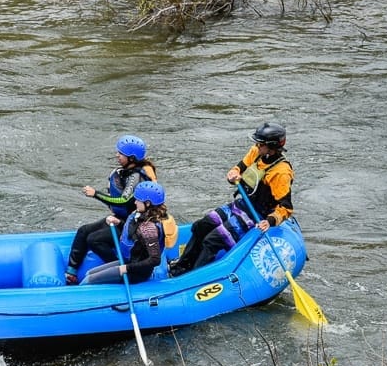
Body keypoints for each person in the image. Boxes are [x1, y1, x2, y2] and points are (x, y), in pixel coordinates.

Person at [169, 122, 294, 276]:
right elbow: (238, 168)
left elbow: (286, 208)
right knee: (201, 226)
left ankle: (194, 275)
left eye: (260, 143)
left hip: (257, 216)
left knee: (212, 240)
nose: (256, 145)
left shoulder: (281, 173)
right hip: (241, 206)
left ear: (272, 147)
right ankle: (182, 266)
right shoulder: (256, 152)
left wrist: (269, 221)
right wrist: (233, 174)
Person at [65, 134, 157, 284]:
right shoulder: (124, 172)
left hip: (131, 225)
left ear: (132, 158)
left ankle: (121, 269)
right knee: (83, 231)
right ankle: (71, 273)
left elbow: (123, 201)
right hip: (119, 218)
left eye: (121, 153)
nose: (117, 155)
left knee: (94, 240)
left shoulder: (136, 177)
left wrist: (96, 194)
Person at [80, 181, 168, 285]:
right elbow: (133, 234)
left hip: (136, 272)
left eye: (138, 200)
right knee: (89, 273)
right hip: (129, 261)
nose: (135, 202)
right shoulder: (140, 214)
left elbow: (155, 260)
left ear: (147, 203)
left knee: (89, 280)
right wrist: (119, 223)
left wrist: (126, 268)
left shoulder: (150, 228)